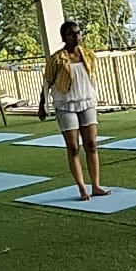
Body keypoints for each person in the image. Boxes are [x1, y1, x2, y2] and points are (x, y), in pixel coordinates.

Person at [39, 20, 110, 202]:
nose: (76, 36)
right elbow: (47, 81)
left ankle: (96, 185)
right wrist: (43, 104)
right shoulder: (56, 59)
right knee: (73, 147)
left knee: (92, 144)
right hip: (65, 105)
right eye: (72, 33)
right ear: (64, 37)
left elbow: (91, 77)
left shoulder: (88, 55)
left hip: (87, 102)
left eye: (78, 32)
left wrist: (96, 96)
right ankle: (81, 188)